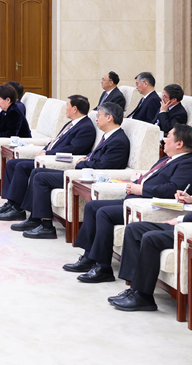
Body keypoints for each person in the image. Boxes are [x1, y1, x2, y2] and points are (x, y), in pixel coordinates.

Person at [63, 124, 192, 283]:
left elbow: (172, 189)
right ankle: (89, 257)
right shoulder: (167, 159)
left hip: (147, 204)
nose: (164, 140)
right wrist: (135, 184)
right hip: (134, 199)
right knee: (92, 206)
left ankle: (103, 268)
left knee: (104, 213)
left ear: (179, 143)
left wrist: (141, 189)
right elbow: (150, 177)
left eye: (169, 136)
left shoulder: (187, 163)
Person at [14, 102, 131, 239]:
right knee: (36, 172)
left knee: (41, 178)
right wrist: (86, 159)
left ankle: (47, 227)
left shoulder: (118, 141)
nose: (96, 119)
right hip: (82, 173)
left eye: (99, 115)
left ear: (109, 117)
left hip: (88, 176)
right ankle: (34, 218)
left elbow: (103, 166)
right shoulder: (108, 136)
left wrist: (83, 163)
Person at [0, 95, 96, 222]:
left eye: (67, 106)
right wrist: (45, 149)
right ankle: (11, 203)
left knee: (21, 166)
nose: (65, 108)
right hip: (48, 156)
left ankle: (17, 209)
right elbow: (57, 141)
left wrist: (48, 153)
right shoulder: (72, 123)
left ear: (75, 109)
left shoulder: (86, 128)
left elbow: (74, 149)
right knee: (12, 163)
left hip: (56, 161)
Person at [109, 190, 192, 312]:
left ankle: (144, 296)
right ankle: (134, 289)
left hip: (188, 231)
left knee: (151, 238)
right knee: (134, 229)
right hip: (185, 225)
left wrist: (181, 219)